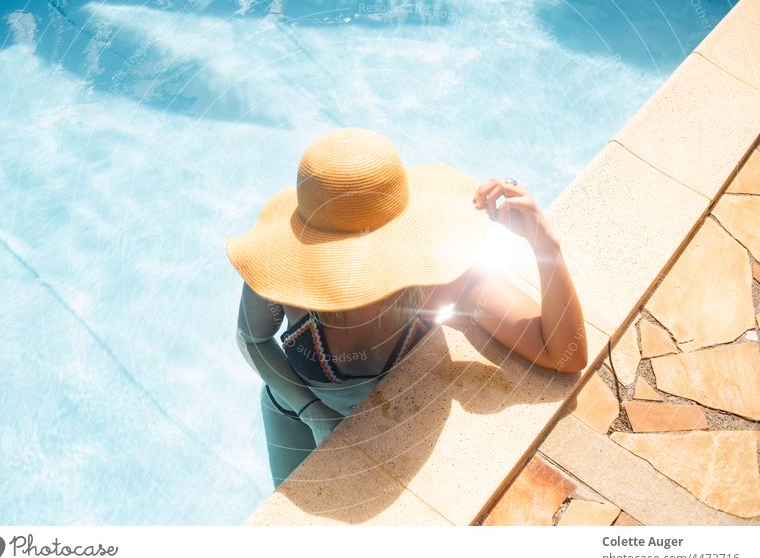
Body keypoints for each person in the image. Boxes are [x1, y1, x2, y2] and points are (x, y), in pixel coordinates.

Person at [226, 128, 587, 488]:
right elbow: (252, 340)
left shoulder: (443, 279)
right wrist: (314, 414)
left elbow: (563, 355)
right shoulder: (286, 274)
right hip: (292, 413)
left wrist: (546, 246)